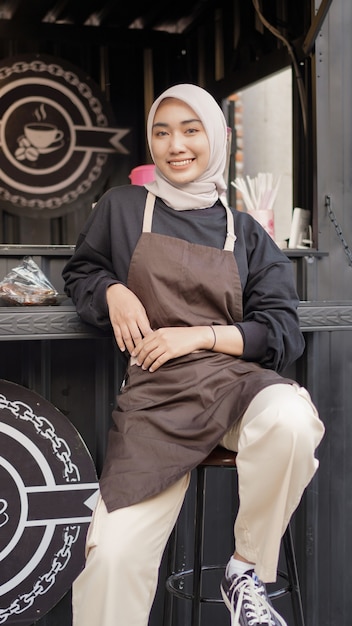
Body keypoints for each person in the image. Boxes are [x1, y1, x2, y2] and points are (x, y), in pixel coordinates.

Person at [62, 83, 325, 626]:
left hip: (234, 388)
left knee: (293, 420)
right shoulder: (122, 208)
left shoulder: (247, 233)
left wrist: (200, 336)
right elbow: (81, 273)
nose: (175, 145)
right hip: (155, 400)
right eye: (162, 132)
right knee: (111, 558)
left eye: (190, 130)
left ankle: (244, 569)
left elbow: (280, 331)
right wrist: (112, 290)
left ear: (217, 138)